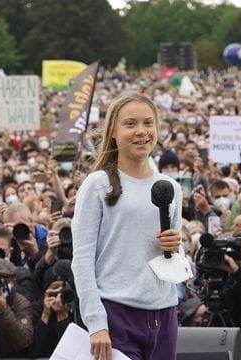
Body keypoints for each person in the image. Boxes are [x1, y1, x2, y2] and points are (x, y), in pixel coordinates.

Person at [71, 92, 183, 360]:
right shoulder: (97, 184)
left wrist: (176, 249)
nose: (141, 132)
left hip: (164, 315)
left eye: (148, 123)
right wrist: (97, 323)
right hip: (116, 314)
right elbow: (82, 261)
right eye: (130, 124)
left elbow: (172, 266)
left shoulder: (172, 188)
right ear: (112, 132)